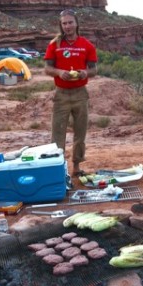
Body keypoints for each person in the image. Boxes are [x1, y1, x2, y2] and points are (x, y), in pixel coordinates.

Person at [44, 9, 98, 176]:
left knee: (80, 133)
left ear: (76, 23)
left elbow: (94, 69)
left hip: (80, 94)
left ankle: (76, 167)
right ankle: (58, 170)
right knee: (57, 134)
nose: (67, 26)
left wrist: (85, 73)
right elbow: (47, 68)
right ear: (61, 25)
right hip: (61, 94)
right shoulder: (55, 44)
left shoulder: (86, 45)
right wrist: (59, 73)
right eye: (64, 23)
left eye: (70, 22)